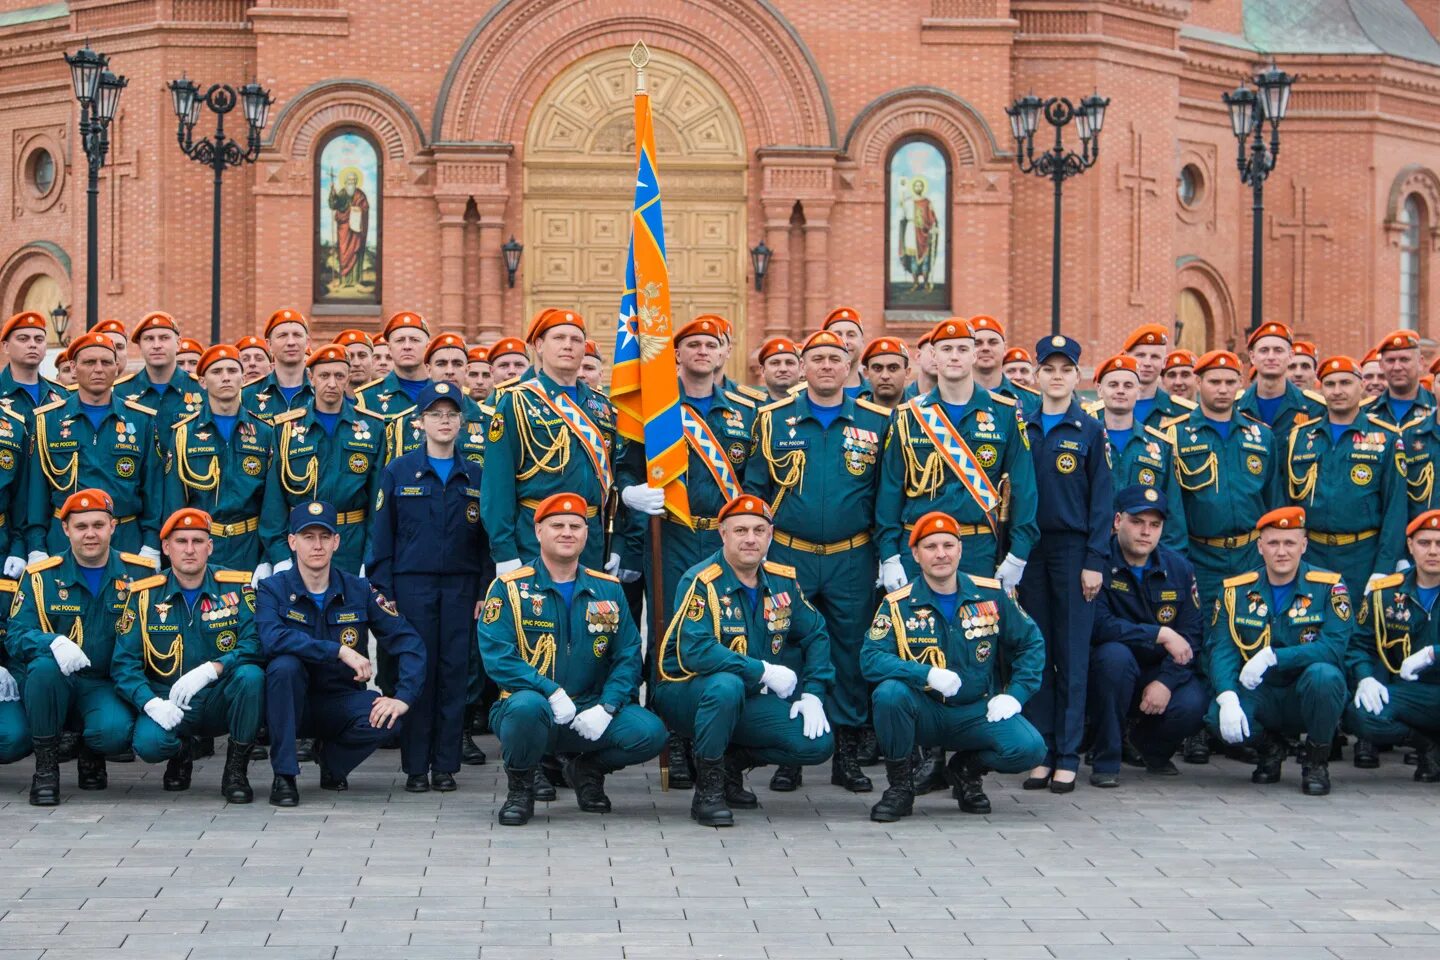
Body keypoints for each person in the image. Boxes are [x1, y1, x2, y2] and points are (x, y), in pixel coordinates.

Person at [745, 329, 891, 793]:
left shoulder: (876, 420)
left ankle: (846, 756)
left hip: (852, 555)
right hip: (790, 554)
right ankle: (792, 753)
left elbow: (886, 494)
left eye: (836, 358)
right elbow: (755, 491)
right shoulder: (771, 419)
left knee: (849, 653)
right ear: (802, 366)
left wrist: (887, 556)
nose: (827, 365)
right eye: (817, 358)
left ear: (849, 368)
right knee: (789, 648)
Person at [479, 492, 665, 824]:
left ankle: (586, 771)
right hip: (534, 710)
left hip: (589, 708)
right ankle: (521, 789)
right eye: (557, 525)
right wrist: (549, 690)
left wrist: (607, 707)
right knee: (525, 707)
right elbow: (498, 658)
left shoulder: (608, 589)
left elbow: (628, 657)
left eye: (576, 526)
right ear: (538, 531)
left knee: (650, 732)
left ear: (586, 533)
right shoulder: (508, 589)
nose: (567, 532)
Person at [652, 494, 835, 826]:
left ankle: (731, 764)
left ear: (770, 535)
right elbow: (697, 651)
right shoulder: (701, 581)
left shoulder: (782, 581)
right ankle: (708, 792)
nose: (750, 539)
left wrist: (814, 695)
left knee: (817, 744)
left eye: (758, 530)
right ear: (723, 534)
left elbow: (817, 632)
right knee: (726, 685)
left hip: (746, 697)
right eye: (740, 531)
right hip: (688, 695)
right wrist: (762, 670)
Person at [862, 511, 1046, 821]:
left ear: (960, 550)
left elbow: (1031, 643)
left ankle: (965, 770)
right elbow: (870, 658)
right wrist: (926, 673)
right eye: (931, 547)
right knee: (889, 694)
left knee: (1030, 748)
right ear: (916, 555)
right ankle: (900, 788)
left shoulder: (990, 594)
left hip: (975, 710)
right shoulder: (897, 603)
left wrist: (1015, 694)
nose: (941, 554)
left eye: (948, 545)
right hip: (925, 710)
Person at [257, 501, 424, 806]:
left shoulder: (358, 589)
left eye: (325, 537)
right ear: (292, 542)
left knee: (389, 719)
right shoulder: (273, 589)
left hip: (340, 701)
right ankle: (284, 775)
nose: (317, 546)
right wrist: (338, 651)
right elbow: (272, 638)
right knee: (283, 667)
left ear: (336, 542)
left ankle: (332, 762)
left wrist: (403, 697)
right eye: (308, 537)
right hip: (291, 704)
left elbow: (409, 641)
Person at [369, 382, 489, 791]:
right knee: (416, 672)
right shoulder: (398, 471)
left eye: (451, 414)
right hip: (411, 588)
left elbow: (485, 539)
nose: (444, 421)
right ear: (420, 422)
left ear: (461, 421)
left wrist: (483, 589)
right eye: (435, 414)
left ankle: (445, 766)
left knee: (455, 674)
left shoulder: (474, 473)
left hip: (461, 587)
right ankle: (416, 767)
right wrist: (383, 590)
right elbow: (382, 536)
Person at [8, 489, 157, 805]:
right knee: (45, 667)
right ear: (65, 529)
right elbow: (16, 636)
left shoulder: (140, 574)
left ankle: (92, 751)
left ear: (112, 527)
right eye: (80, 526)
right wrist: (53, 641)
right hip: (53, 683)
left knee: (114, 733)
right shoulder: (40, 577)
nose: (90, 534)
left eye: (98, 525)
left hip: (103, 682)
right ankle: (46, 769)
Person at [110, 507, 261, 801]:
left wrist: (214, 668)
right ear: (166, 548)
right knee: (150, 745)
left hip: (218, 696)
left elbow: (255, 643)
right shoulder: (144, 595)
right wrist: (151, 704)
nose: (189, 550)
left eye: (197, 541)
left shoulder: (236, 586)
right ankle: (181, 751)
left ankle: (235, 770)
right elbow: (123, 664)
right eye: (181, 542)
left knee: (251, 676)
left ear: (210, 546)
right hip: (169, 700)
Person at [1018, 335, 1112, 792]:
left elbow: (1102, 503)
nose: (1056, 377)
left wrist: (1095, 558)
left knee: (1072, 655)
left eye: (1065, 369)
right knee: (1038, 652)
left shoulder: (1090, 430)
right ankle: (1042, 749)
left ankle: (1068, 754)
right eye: (1048, 369)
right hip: (1030, 551)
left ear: (1079, 377)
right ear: (1036, 376)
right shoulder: (1022, 426)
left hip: (1074, 553)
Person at [876, 318, 1038, 584]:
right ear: (933, 356)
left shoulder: (1005, 413)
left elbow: (1024, 487)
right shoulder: (907, 416)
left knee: (978, 625)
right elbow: (890, 490)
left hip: (977, 546)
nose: (954, 356)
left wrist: (1018, 555)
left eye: (962, 349)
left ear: (974, 355)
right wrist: (889, 555)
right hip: (917, 544)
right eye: (947, 349)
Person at [1206, 506, 1351, 796]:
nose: (1281, 551)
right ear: (1260, 546)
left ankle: (1316, 760)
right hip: (1263, 693)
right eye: (1273, 543)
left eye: (1290, 543)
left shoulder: (1329, 587)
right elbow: (1221, 648)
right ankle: (1270, 749)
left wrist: (1274, 657)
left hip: (1306, 692)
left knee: (1326, 676)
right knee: (1216, 716)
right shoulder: (1236, 592)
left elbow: (1334, 649)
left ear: (1304, 545)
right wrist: (1227, 696)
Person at [482, 310, 626, 574]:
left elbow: (614, 482)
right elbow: (497, 484)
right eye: (559, 337)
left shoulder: (601, 407)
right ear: (539, 345)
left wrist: (616, 543)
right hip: (535, 537)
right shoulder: (517, 402)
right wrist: (504, 552)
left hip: (590, 540)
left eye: (576, 339)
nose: (568, 345)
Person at [1087, 486, 1206, 786]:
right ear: (1117, 521)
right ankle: (1106, 760)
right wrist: (1159, 633)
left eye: (1154, 525)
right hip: (1107, 671)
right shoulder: (1097, 563)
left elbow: (1192, 636)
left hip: (1156, 669)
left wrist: (1166, 681)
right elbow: (1098, 625)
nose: (1146, 532)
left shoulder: (1179, 568)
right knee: (1113, 658)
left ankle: (1150, 748)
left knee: (1193, 702)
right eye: (1137, 522)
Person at [27, 331, 164, 560]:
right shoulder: (47, 421)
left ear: (116, 366)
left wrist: (151, 544)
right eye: (89, 362)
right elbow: (35, 492)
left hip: (125, 538)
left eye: (106, 362)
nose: (98, 369)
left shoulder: (142, 420)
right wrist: (36, 547)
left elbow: (153, 488)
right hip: (65, 540)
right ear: (73, 367)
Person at [1166, 349, 1282, 612]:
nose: (1223, 389)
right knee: (1204, 633)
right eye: (1214, 382)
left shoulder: (1261, 436)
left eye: (1230, 382)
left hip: (1252, 555)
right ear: (1199, 383)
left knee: (1254, 628)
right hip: (1201, 556)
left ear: (1240, 384)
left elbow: (1274, 500)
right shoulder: (1175, 435)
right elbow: (1173, 507)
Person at [1284, 355, 1406, 596]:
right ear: (1321, 389)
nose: (1337, 391)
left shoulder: (1386, 438)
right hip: (1312, 554)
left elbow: (1396, 508)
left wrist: (1384, 567)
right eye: (1330, 384)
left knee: (1362, 631)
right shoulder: (1300, 438)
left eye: (1345, 383)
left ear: (1361, 387)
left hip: (1363, 556)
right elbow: (1289, 501)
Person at [260, 345, 385, 576]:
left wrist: (370, 558)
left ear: (348, 377)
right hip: (301, 539)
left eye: (339, 376)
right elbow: (274, 499)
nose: (332, 383)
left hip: (350, 543)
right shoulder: (286, 429)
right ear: (311, 378)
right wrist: (278, 557)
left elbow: (377, 502)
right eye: (324, 375)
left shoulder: (373, 427)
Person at [163, 345, 277, 574]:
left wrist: (268, 557)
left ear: (243, 378)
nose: (226, 378)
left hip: (250, 547)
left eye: (232, 371)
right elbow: (174, 504)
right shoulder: (184, 433)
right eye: (217, 372)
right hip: (201, 545)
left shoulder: (265, 432)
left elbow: (272, 504)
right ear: (202, 382)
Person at [1347, 509, 1440, 780]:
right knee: (1360, 713)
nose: (1433, 551)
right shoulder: (1385, 593)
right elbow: (1358, 645)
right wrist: (1365, 678)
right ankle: (1427, 746)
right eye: (1424, 543)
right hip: (1413, 695)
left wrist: (1433, 654)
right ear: (1410, 546)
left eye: (1439, 543)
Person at [1092, 354, 1188, 551]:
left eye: (1128, 385)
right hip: (1094, 553)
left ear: (1138, 391)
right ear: (1100, 390)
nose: (1120, 391)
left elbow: (1174, 513)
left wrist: (1170, 563)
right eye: (1113, 385)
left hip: (1144, 556)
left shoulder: (1160, 446)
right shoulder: (1085, 440)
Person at [113, 311, 205, 432]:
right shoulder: (120, 391)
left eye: (164, 338)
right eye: (149, 339)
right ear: (140, 346)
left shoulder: (202, 389)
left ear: (178, 344)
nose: (156, 345)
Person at [1235, 322, 1326, 440]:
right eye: (1264, 350)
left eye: (1278, 350)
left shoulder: (1316, 408)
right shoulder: (1234, 406)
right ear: (1252, 357)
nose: (1271, 357)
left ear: (1290, 356)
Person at [242, 309, 313, 422]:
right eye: (282, 335)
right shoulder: (247, 395)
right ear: (269, 344)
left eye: (297, 335)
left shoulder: (320, 392)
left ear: (307, 342)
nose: (291, 342)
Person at [356, 311, 431, 417]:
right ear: (390, 349)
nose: (407, 346)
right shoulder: (366, 398)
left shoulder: (447, 392)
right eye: (400, 340)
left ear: (427, 348)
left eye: (415, 340)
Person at [1124, 324, 1195, 429]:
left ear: (1164, 362)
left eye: (1155, 357)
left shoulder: (1185, 412)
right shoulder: (1103, 411)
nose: (1147, 363)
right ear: (1126, 358)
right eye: (1140, 355)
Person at [0, 311, 65, 420]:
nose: (33, 345)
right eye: (23, 339)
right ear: (6, 347)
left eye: (39, 340)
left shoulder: (63, 395)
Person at [970, 316, 1040, 415]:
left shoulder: (1032, 401)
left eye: (993, 342)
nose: (985, 348)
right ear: (966, 349)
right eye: (977, 343)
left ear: (1005, 348)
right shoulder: (952, 396)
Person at [1372, 329, 1436, 430]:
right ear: (1381, 365)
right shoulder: (1364, 411)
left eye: (1404, 360)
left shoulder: (1436, 406)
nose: (1397, 367)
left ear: (1420, 363)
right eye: (1390, 360)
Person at [821, 307, 868, 399]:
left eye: (851, 335)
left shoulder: (877, 393)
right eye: (837, 335)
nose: (844, 341)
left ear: (862, 343)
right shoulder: (806, 394)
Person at [860, 337, 909, 409]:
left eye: (893, 368)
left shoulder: (920, 414)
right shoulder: (855, 414)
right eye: (877, 368)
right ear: (866, 373)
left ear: (907, 372)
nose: (885, 376)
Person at [334, 329, 376, 399]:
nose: (356, 363)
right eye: (350, 357)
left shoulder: (388, 401)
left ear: (373, 360)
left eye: (362, 355)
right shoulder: (328, 405)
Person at [758, 336, 801, 402]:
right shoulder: (752, 409)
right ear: (762, 370)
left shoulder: (813, 404)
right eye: (775, 363)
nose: (783, 369)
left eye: (790, 363)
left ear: (800, 368)